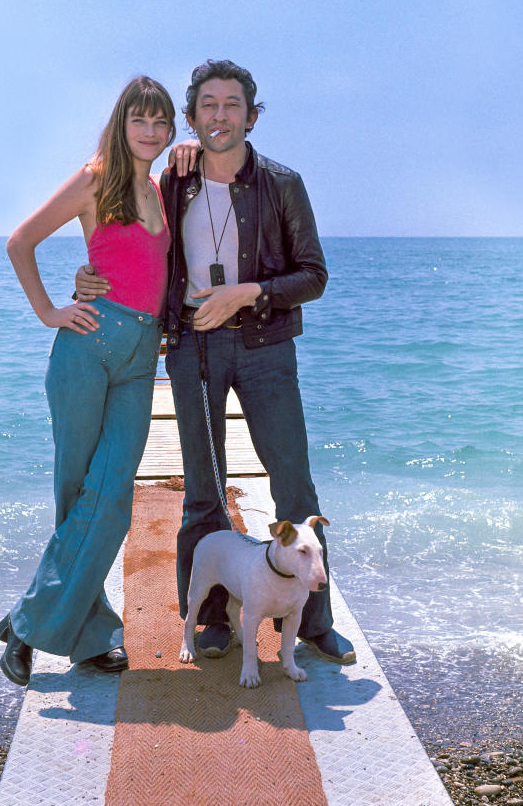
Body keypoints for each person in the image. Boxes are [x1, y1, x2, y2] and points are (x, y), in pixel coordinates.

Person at [76, 60, 355, 665]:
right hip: (193, 349)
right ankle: (210, 617)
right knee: (201, 489)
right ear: (193, 116)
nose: (220, 115)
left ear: (251, 117)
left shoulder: (282, 184)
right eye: (208, 104)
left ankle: (313, 622)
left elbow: (314, 275)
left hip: (266, 348)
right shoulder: (172, 180)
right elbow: (128, 242)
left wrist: (246, 291)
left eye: (232, 105)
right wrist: (89, 277)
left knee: (294, 484)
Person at [0, 75, 176, 686]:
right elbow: (21, 241)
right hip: (85, 351)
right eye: (140, 120)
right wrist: (50, 310)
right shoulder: (96, 177)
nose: (151, 132)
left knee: (112, 499)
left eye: (161, 123)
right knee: (79, 498)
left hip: (139, 357)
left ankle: (25, 622)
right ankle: (92, 635)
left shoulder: (156, 188)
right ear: (121, 122)